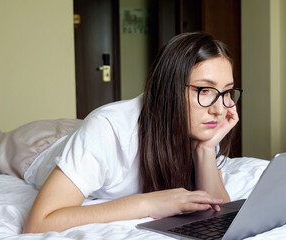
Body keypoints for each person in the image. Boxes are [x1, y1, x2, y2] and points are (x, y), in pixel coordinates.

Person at [12, 32, 242, 233]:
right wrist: (147, 204)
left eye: (227, 91)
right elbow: (38, 223)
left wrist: (205, 150)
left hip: (86, 136)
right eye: (203, 90)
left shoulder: (202, 124)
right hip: (37, 149)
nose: (220, 109)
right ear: (167, 88)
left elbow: (219, 208)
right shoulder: (107, 129)